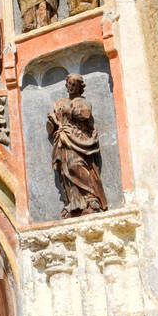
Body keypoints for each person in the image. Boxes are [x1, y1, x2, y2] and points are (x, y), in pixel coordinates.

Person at [47, 74, 108, 217]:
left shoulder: (82, 102)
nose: (71, 87)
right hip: (63, 140)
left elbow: (85, 115)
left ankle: (91, 197)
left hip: (77, 139)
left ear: (80, 87)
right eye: (69, 84)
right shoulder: (61, 102)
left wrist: (67, 110)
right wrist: (54, 121)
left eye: (74, 85)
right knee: (65, 169)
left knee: (76, 165)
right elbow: (52, 127)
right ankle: (74, 202)